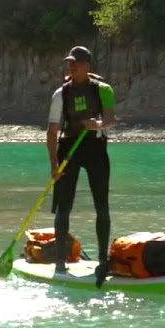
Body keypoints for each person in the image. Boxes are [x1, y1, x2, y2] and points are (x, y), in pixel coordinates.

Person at [46, 46, 116, 279]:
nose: (72, 66)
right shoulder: (61, 94)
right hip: (69, 149)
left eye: (76, 62)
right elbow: (52, 130)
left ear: (88, 65)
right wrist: (54, 165)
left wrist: (96, 125)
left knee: (102, 206)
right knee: (64, 206)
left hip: (95, 148)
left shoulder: (103, 90)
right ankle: (59, 263)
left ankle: (103, 261)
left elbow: (110, 119)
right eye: (70, 63)